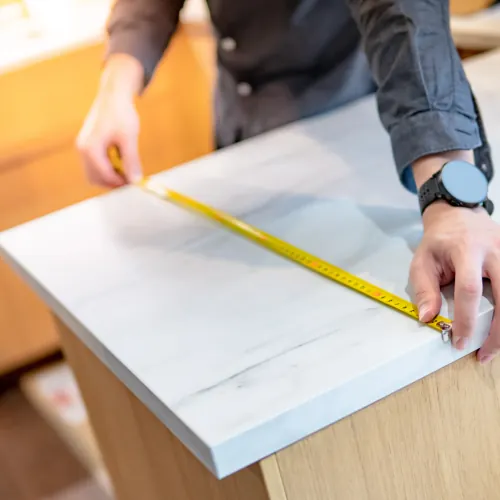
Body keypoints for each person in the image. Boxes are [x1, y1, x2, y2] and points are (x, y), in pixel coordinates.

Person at [76, 0, 500, 364]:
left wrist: (449, 198)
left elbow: (402, 12)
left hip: (353, 124)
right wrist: (117, 81)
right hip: (238, 127)